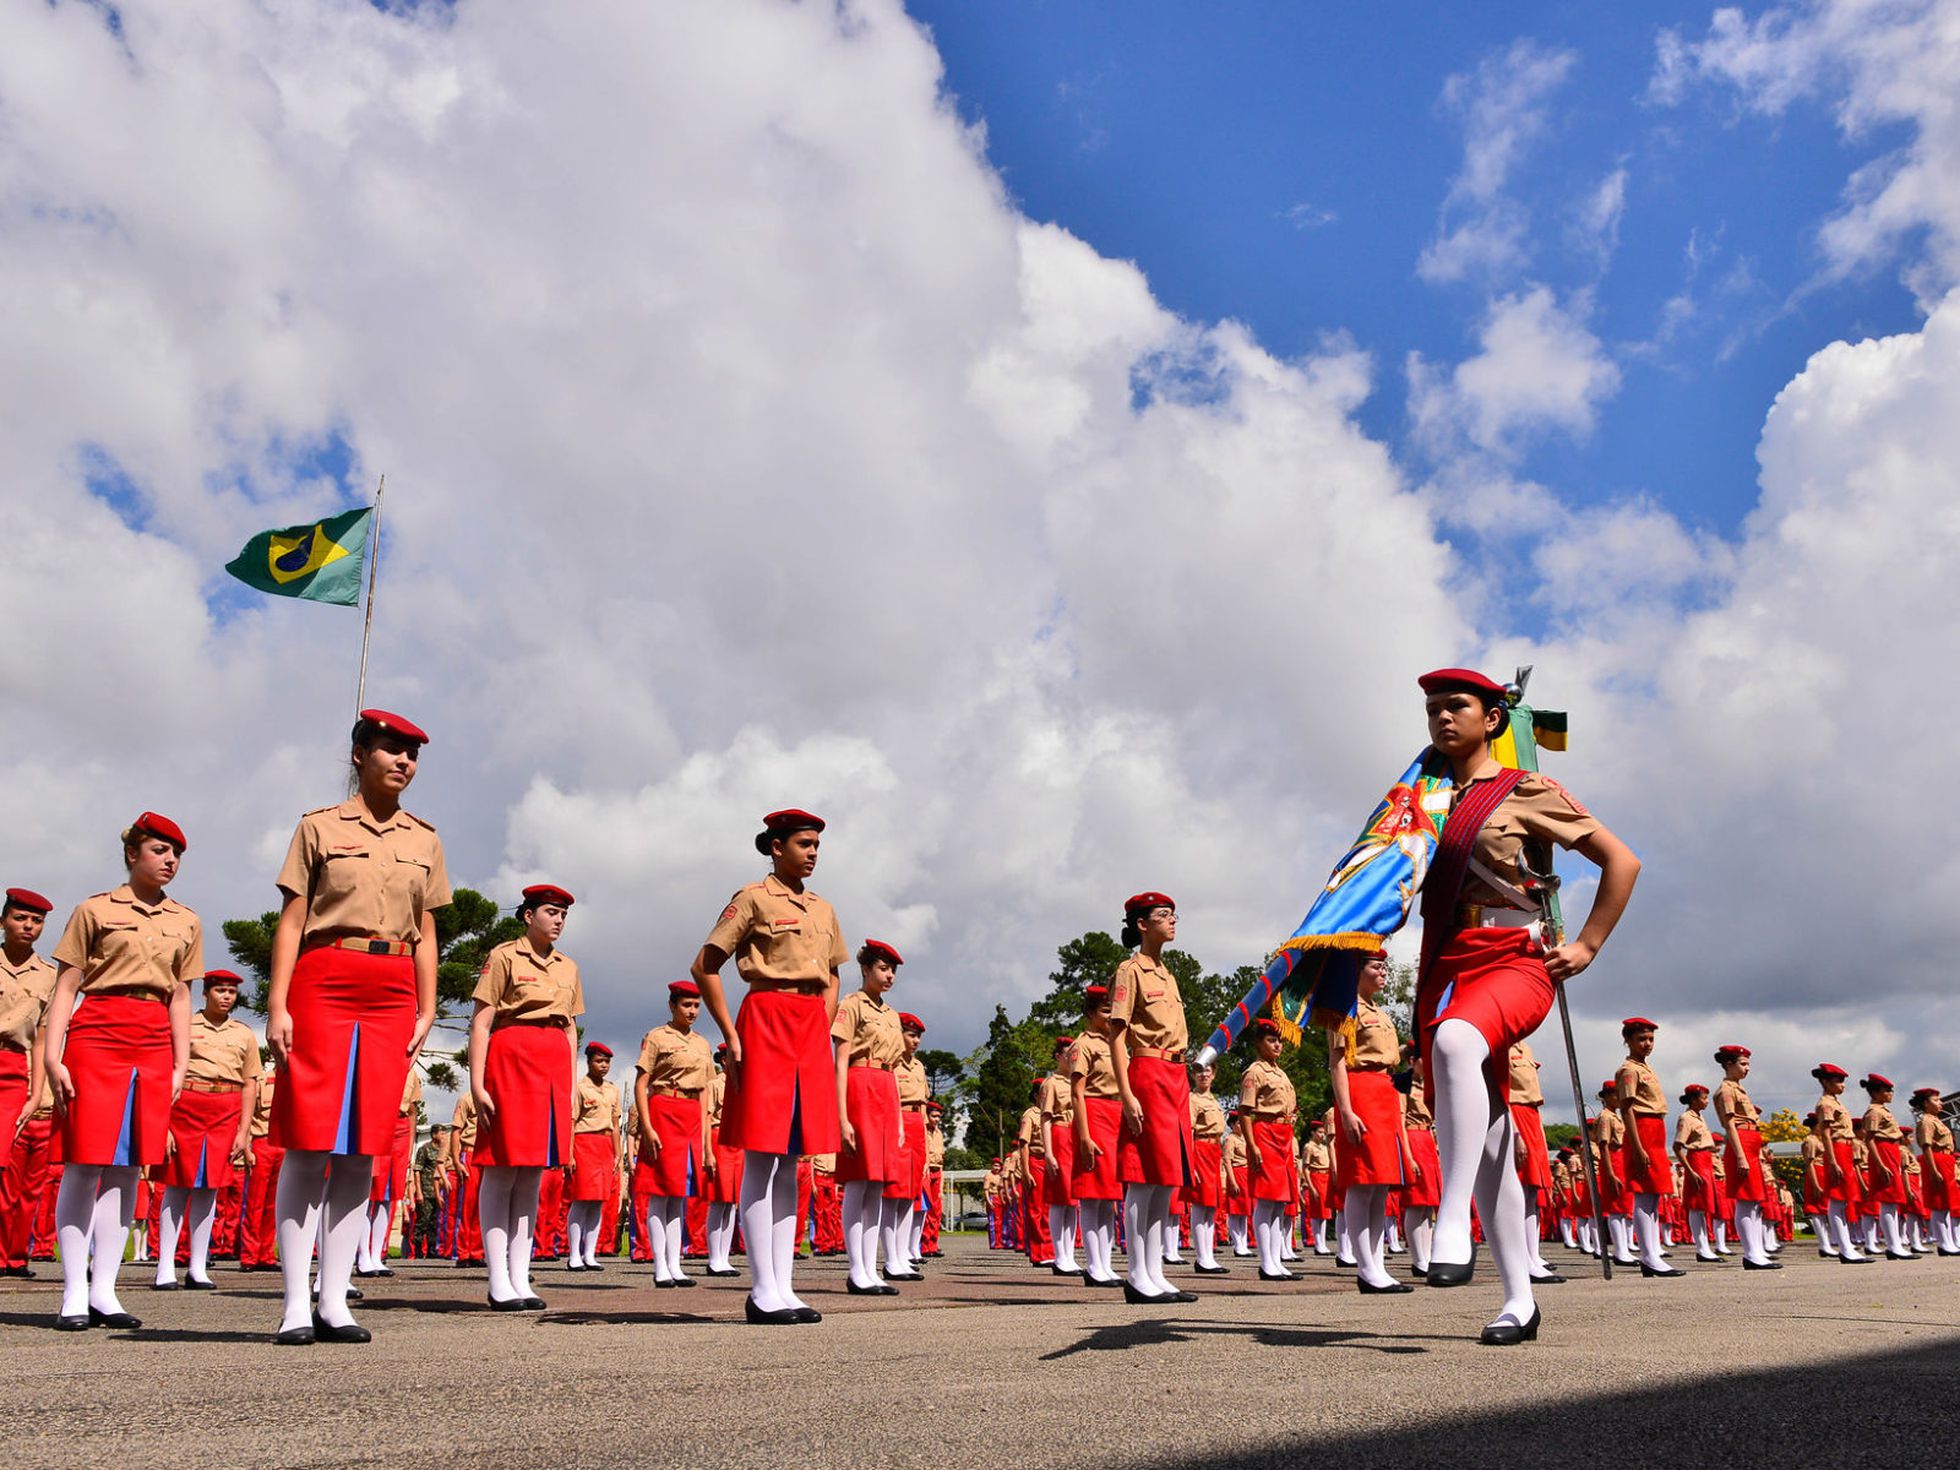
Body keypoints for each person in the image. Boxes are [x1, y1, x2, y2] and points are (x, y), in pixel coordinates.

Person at [1413, 668, 1639, 1344]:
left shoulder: (1524, 790)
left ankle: (1452, 1221)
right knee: (1487, 1144)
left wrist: (1590, 943)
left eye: (1458, 706)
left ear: (1493, 718)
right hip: (1447, 965)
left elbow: (1620, 861)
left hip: (1516, 960)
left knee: (1456, 1043)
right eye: (1432, 710)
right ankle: (1519, 1301)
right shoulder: (1418, 801)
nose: (1443, 719)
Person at [265, 712, 448, 1345]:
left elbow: (427, 931)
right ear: (359, 755)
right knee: (310, 1141)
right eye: (392, 750)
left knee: (360, 1151)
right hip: (324, 978)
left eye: (412, 755)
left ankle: (334, 1298)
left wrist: (426, 1006)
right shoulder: (318, 827)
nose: (404, 762)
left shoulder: (425, 839)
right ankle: (294, 1301)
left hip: (391, 988)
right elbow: (291, 921)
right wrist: (277, 1003)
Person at [41, 814, 201, 1331]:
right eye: (159, 850)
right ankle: (73, 1290)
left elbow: (180, 995)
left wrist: (181, 1062)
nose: (169, 860)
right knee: (85, 1162)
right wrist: (51, 1055)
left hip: (153, 1037)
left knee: (129, 1167)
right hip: (98, 1030)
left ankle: (106, 1290)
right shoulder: (93, 909)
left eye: (175, 853)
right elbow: (66, 986)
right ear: (132, 854)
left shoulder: (186, 921)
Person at [693, 809, 846, 1325]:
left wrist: (822, 1024)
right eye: (804, 843)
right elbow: (705, 964)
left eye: (817, 845)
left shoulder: (824, 909)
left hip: (808, 1027)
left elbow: (832, 973)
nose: (813, 852)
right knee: (762, 1154)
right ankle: (762, 1289)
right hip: (766, 1015)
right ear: (776, 846)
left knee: (794, 1160)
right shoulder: (753, 898)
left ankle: (785, 1284)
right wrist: (730, 1033)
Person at [1109, 892, 1196, 1306]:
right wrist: (1126, 1093)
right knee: (1142, 1178)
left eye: (1173, 914)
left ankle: (1155, 1271)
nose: (1173, 920)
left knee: (1166, 1179)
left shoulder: (1167, 973)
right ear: (1142, 924)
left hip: (1176, 1075)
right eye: (1164, 915)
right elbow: (1117, 1035)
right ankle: (1136, 1275)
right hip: (1147, 1072)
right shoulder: (1130, 971)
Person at [154, 969, 258, 1290]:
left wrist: (244, 1131)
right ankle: (165, 1266)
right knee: (176, 1185)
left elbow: (250, 1082)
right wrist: (164, 1124)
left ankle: (198, 1266)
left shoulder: (244, 1034)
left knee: (210, 1188)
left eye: (231, 992)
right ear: (205, 993)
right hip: (186, 1104)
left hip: (224, 1110)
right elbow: (166, 1071)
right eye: (220, 991)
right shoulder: (184, 1024)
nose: (226, 997)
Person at [1326, 951, 1417, 1295]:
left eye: (1384, 967)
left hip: (1385, 1091)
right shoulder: (1343, 1008)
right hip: (1360, 1089)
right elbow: (1337, 1064)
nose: (1383, 972)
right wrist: (1346, 1111)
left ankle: (1376, 1264)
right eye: (1375, 966)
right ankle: (1365, 1268)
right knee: (1362, 1182)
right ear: (1357, 970)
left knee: (1380, 1186)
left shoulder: (1381, 1013)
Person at [830, 940, 905, 1295]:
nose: (889, 975)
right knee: (859, 1182)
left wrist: (901, 1123)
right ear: (865, 969)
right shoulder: (851, 1005)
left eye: (892, 970)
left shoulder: (892, 1014)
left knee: (877, 1185)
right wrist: (841, 1116)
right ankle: (856, 1268)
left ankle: (872, 1268)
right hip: (860, 1086)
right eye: (882, 968)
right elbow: (841, 1061)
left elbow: (894, 1066)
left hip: (886, 1090)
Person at [635, 978, 713, 1289]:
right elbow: (642, 1083)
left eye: (696, 1005)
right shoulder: (656, 1037)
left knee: (679, 1195)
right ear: (672, 1005)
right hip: (664, 1108)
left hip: (691, 1115)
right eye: (686, 1005)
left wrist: (706, 1144)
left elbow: (706, 1093)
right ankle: (660, 1265)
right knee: (660, 1192)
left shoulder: (702, 1043)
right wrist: (648, 1126)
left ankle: (675, 1264)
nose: (692, 1011)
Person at [0, 887, 57, 1279]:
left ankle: (13, 1256)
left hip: (13, 1068)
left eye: (36, 921)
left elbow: (40, 1037)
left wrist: (36, 1091)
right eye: (21, 918)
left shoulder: (49, 975)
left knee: (9, 1169)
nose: (28, 926)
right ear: (4, 920)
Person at [1613, 1018, 1680, 1277]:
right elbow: (1627, 1108)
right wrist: (1638, 1146)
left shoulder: (1645, 1068)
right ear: (1627, 1040)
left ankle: (1653, 1252)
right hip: (1641, 1129)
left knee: (1654, 1196)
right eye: (1641, 1039)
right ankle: (1649, 1256)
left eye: (1651, 1039)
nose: (1647, 1044)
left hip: (1654, 1129)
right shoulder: (1629, 1070)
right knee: (1643, 1194)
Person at [1068, 984, 1123, 1287]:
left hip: (1115, 1117)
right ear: (1090, 1013)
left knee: (1110, 1199)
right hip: (1095, 1115)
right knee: (1092, 1197)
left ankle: (1106, 1263)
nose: (1111, 1014)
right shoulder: (1084, 1044)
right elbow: (1077, 1092)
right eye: (1105, 1010)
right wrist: (1085, 1136)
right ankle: (1093, 1265)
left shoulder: (1117, 1042)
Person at [1238, 1019, 1298, 1282]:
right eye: (1271, 1040)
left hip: (1284, 1134)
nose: (1277, 1045)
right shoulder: (1255, 1072)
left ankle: (1276, 1259)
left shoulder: (1281, 1073)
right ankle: (1267, 1262)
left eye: (1279, 1040)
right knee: (1266, 1200)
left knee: (1279, 1203)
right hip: (1265, 1133)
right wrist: (1252, 1145)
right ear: (1258, 1043)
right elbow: (1245, 1112)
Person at [1709, 1045, 1776, 1270]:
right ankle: (1751, 1252)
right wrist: (1740, 1156)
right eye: (1743, 1064)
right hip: (1741, 1143)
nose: (1747, 1069)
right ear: (1729, 1064)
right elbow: (1729, 1124)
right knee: (1746, 1200)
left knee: (1754, 1201)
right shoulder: (1726, 1090)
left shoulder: (1738, 1089)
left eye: (1748, 1064)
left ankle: (1757, 1250)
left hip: (1750, 1141)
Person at [359, 1063, 422, 1277]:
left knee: (389, 1195)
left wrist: (411, 1146)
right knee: (369, 1193)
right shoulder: (377, 1064)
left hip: (401, 1128)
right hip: (378, 1121)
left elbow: (412, 1110)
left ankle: (377, 1255)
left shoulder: (411, 1072)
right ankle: (363, 1256)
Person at [567, 1041, 622, 1272]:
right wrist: (569, 1153)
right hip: (585, 1143)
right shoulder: (579, 1088)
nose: (604, 1065)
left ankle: (589, 1253)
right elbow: (571, 1121)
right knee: (581, 1200)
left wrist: (618, 1153)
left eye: (607, 1061)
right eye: (599, 1061)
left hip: (605, 1145)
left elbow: (616, 1124)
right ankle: (574, 1254)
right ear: (588, 1062)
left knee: (599, 1202)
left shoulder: (612, 1089)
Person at [1505, 1041, 1557, 1280]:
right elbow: (1501, 1095)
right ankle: (1523, 1259)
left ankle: (1533, 1256)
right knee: (1521, 1192)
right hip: (1516, 1115)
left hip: (1532, 1115)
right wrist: (1516, 1134)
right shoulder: (1501, 1049)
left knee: (1532, 1195)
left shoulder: (1525, 1048)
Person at [887, 1012, 930, 1279]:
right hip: (898, 1120)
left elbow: (923, 1105)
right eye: (911, 1035)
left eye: (918, 1037)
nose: (915, 1041)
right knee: (895, 1195)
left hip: (917, 1124)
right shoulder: (891, 1064)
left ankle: (903, 1253)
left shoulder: (918, 1067)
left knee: (911, 1196)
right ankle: (891, 1257)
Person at [1812, 1063, 1868, 1263]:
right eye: (1838, 1081)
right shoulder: (1826, 1104)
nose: (1843, 1085)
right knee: (1836, 1200)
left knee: (1843, 1200)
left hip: (1845, 1149)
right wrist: (1833, 1160)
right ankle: (1844, 1248)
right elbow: (1826, 1134)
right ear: (1826, 1082)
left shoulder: (1836, 1103)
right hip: (1836, 1148)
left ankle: (1847, 1246)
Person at [1858, 1074, 1915, 1261]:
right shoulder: (1874, 1112)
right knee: (1887, 1199)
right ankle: (1893, 1245)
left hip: (1890, 1150)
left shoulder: (1883, 1110)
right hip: (1882, 1151)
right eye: (1886, 1090)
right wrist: (1880, 1164)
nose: (1890, 1094)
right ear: (1875, 1093)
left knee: (1892, 1200)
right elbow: (1870, 1139)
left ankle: (1895, 1244)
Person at [1039, 1033, 1081, 1277]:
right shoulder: (1051, 1083)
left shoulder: (1077, 1081)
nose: (1071, 1058)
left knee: (1072, 1201)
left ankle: (1069, 1254)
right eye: (1067, 1054)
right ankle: (1059, 1255)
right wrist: (1049, 1153)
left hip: (1074, 1138)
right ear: (1058, 1057)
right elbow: (1045, 1118)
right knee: (1059, 1199)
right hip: (1058, 1135)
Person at [1402, 1060, 1446, 1278]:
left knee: (1428, 1205)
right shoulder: (1403, 1084)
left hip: (1428, 1139)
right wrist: (1407, 1156)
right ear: (1412, 1061)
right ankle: (1418, 1259)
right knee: (1415, 1201)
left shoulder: (1427, 1085)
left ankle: (1427, 1257)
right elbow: (1399, 1121)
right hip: (1412, 1138)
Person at [1186, 1061, 1229, 1275]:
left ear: (1214, 1075)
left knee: (1211, 1206)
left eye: (1208, 1071)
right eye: (1199, 1071)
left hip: (1214, 1151)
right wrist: (1191, 1162)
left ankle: (1209, 1254)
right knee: (1200, 1204)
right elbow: (1189, 1131)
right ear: (1194, 1076)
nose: (1204, 1075)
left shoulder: (1214, 1100)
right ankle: (1202, 1257)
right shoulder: (1192, 1100)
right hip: (1200, 1148)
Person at [1911, 1088, 1957, 1255]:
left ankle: (1950, 1241)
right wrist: (1933, 1169)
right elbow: (1926, 1146)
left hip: (1946, 1159)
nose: (1940, 1103)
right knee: (1939, 1204)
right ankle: (1944, 1243)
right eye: (1936, 1100)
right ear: (1925, 1103)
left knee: (1946, 1203)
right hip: (1937, 1159)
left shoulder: (1936, 1120)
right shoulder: (1926, 1122)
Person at [920, 1100, 946, 1259]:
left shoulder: (939, 1133)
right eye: (934, 1116)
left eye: (939, 1117)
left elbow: (942, 1160)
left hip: (938, 1171)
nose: (936, 1119)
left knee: (936, 1211)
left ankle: (932, 1245)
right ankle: (923, 1245)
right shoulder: (922, 1130)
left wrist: (942, 1186)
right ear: (927, 1115)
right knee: (926, 1210)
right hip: (927, 1172)